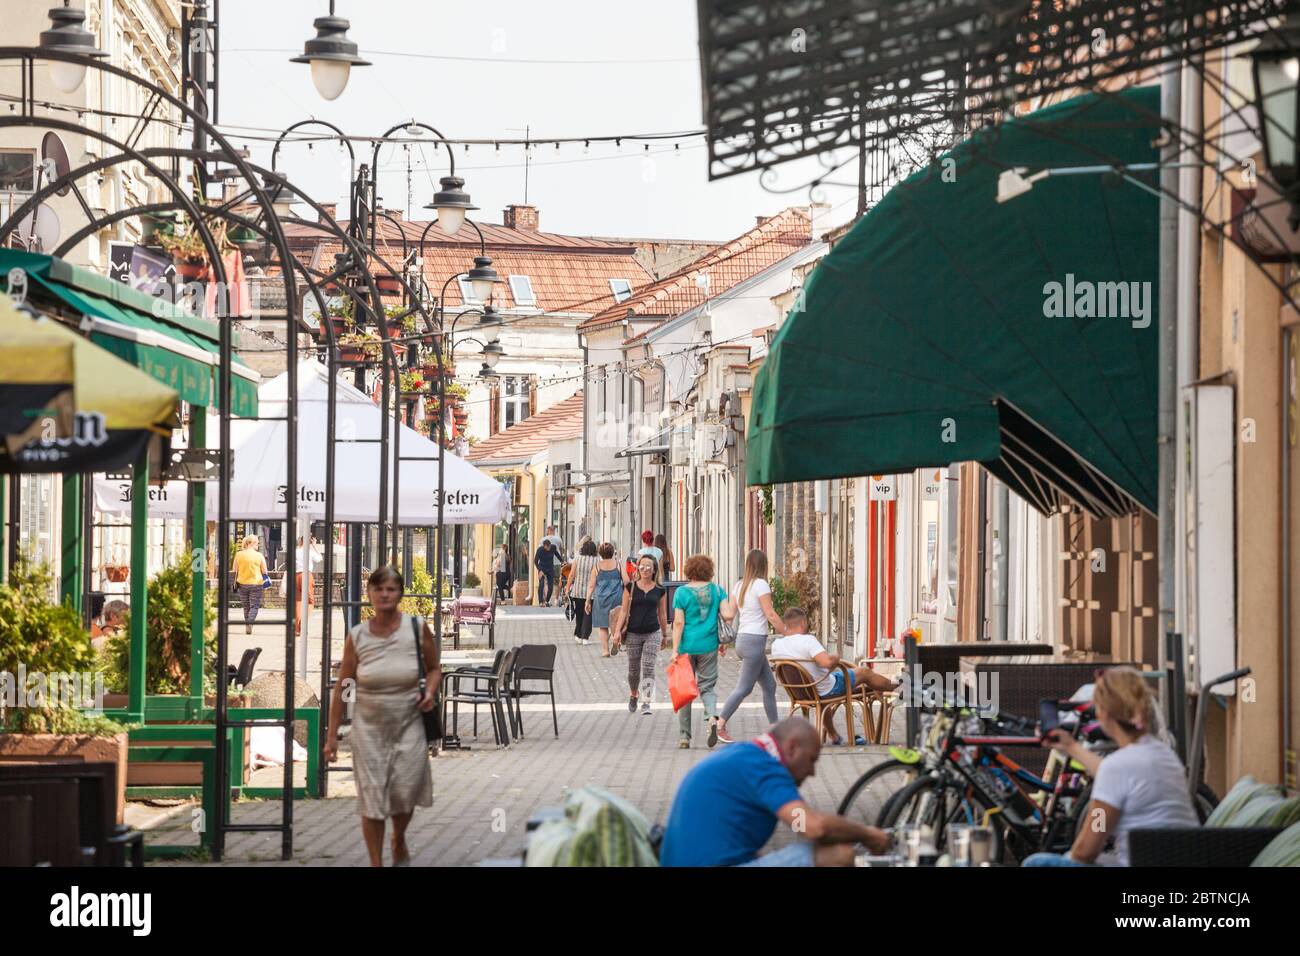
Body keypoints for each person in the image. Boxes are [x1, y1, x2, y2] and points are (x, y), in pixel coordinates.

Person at [1023, 667, 1199, 867]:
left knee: (1037, 863)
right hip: (1180, 862)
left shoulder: (1116, 768)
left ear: (1103, 713)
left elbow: (1087, 850)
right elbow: (1119, 775)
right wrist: (1071, 746)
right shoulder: (1163, 754)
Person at [660, 716, 892, 867]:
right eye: (811, 760)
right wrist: (869, 835)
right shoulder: (765, 768)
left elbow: (799, 826)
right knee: (838, 855)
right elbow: (813, 828)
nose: (812, 772)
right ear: (792, 748)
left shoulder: (746, 754)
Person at [324, 566, 440, 867]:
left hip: (409, 722)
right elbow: (343, 686)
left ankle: (398, 838)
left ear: (400, 593)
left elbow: (434, 668)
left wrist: (430, 693)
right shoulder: (357, 636)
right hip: (369, 728)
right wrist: (332, 737)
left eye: (391, 589)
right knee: (372, 798)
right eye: (379, 589)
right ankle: (377, 863)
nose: (385, 594)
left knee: (406, 788)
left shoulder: (416, 628)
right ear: (369, 594)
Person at [769, 607, 897, 745]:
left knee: (838, 677)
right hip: (826, 689)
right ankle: (895, 685)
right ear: (803, 623)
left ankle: (834, 735)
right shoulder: (807, 641)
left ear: (786, 624)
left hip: (802, 691)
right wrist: (836, 657)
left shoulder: (777, 645)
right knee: (864, 672)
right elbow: (827, 663)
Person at [716, 549, 787, 744]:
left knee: (769, 685)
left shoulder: (739, 586)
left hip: (743, 640)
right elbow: (770, 614)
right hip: (754, 642)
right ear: (763, 565)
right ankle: (719, 724)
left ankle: (774, 729)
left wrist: (724, 642)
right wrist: (787, 632)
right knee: (744, 688)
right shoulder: (761, 585)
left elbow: (730, 614)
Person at [670, 554, 737, 749]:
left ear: (689, 571)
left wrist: (674, 649)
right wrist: (734, 598)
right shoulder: (717, 590)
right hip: (708, 646)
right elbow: (728, 615)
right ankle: (711, 717)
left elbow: (679, 623)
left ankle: (684, 737)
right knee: (707, 687)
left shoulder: (681, 593)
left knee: (686, 690)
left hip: (687, 647)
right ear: (709, 571)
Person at [615, 554, 668, 714]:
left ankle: (646, 699)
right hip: (633, 632)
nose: (645, 570)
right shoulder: (630, 587)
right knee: (633, 670)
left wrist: (665, 634)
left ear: (654, 570)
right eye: (642, 567)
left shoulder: (660, 590)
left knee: (648, 667)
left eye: (648, 568)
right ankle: (633, 694)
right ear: (638, 568)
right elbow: (623, 610)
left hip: (652, 632)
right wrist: (617, 631)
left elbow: (663, 614)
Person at [585, 543, 627, 656]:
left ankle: (605, 650)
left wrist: (587, 601)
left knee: (603, 626)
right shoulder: (618, 565)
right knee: (617, 622)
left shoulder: (597, 567)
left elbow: (591, 586)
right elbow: (627, 581)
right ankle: (616, 640)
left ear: (600, 554)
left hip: (600, 599)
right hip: (617, 597)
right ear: (613, 552)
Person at [233, 534, 269, 635]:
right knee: (254, 606)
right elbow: (265, 571)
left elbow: (234, 570)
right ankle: (250, 622)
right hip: (256, 583)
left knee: (246, 606)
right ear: (252, 543)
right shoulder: (259, 555)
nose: (258, 545)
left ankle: (247, 625)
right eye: (257, 543)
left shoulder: (239, 554)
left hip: (242, 583)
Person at [566, 539, 599, 644]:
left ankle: (578, 634)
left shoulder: (578, 558)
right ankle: (585, 637)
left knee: (579, 613)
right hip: (591, 592)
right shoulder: (597, 560)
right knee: (588, 613)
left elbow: (571, 574)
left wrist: (567, 588)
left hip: (578, 590)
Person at [534, 538, 558, 606]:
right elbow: (535, 561)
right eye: (548, 547)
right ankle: (540, 602)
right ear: (544, 546)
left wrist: (562, 561)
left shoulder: (553, 548)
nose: (549, 548)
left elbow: (557, 554)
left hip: (550, 568)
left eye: (550, 546)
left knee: (551, 586)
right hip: (542, 568)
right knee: (541, 584)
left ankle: (546, 600)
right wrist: (540, 570)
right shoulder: (540, 550)